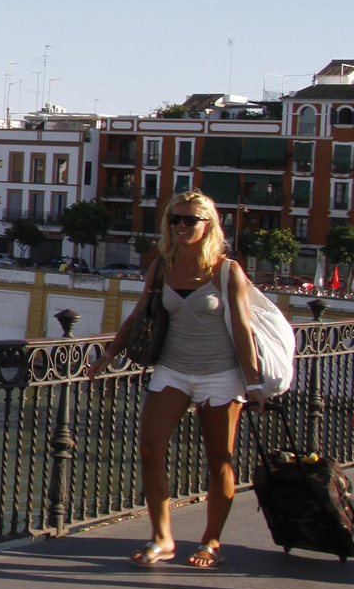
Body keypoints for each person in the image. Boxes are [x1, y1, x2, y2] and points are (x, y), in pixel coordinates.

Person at [87, 191, 267, 568]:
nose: (182, 226)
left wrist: (253, 383)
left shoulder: (226, 271)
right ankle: (162, 537)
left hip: (220, 374)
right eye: (175, 219)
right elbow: (139, 316)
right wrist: (108, 354)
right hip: (173, 368)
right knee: (151, 450)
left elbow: (242, 330)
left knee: (219, 458)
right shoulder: (162, 267)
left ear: (209, 225)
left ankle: (211, 540)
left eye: (190, 220)